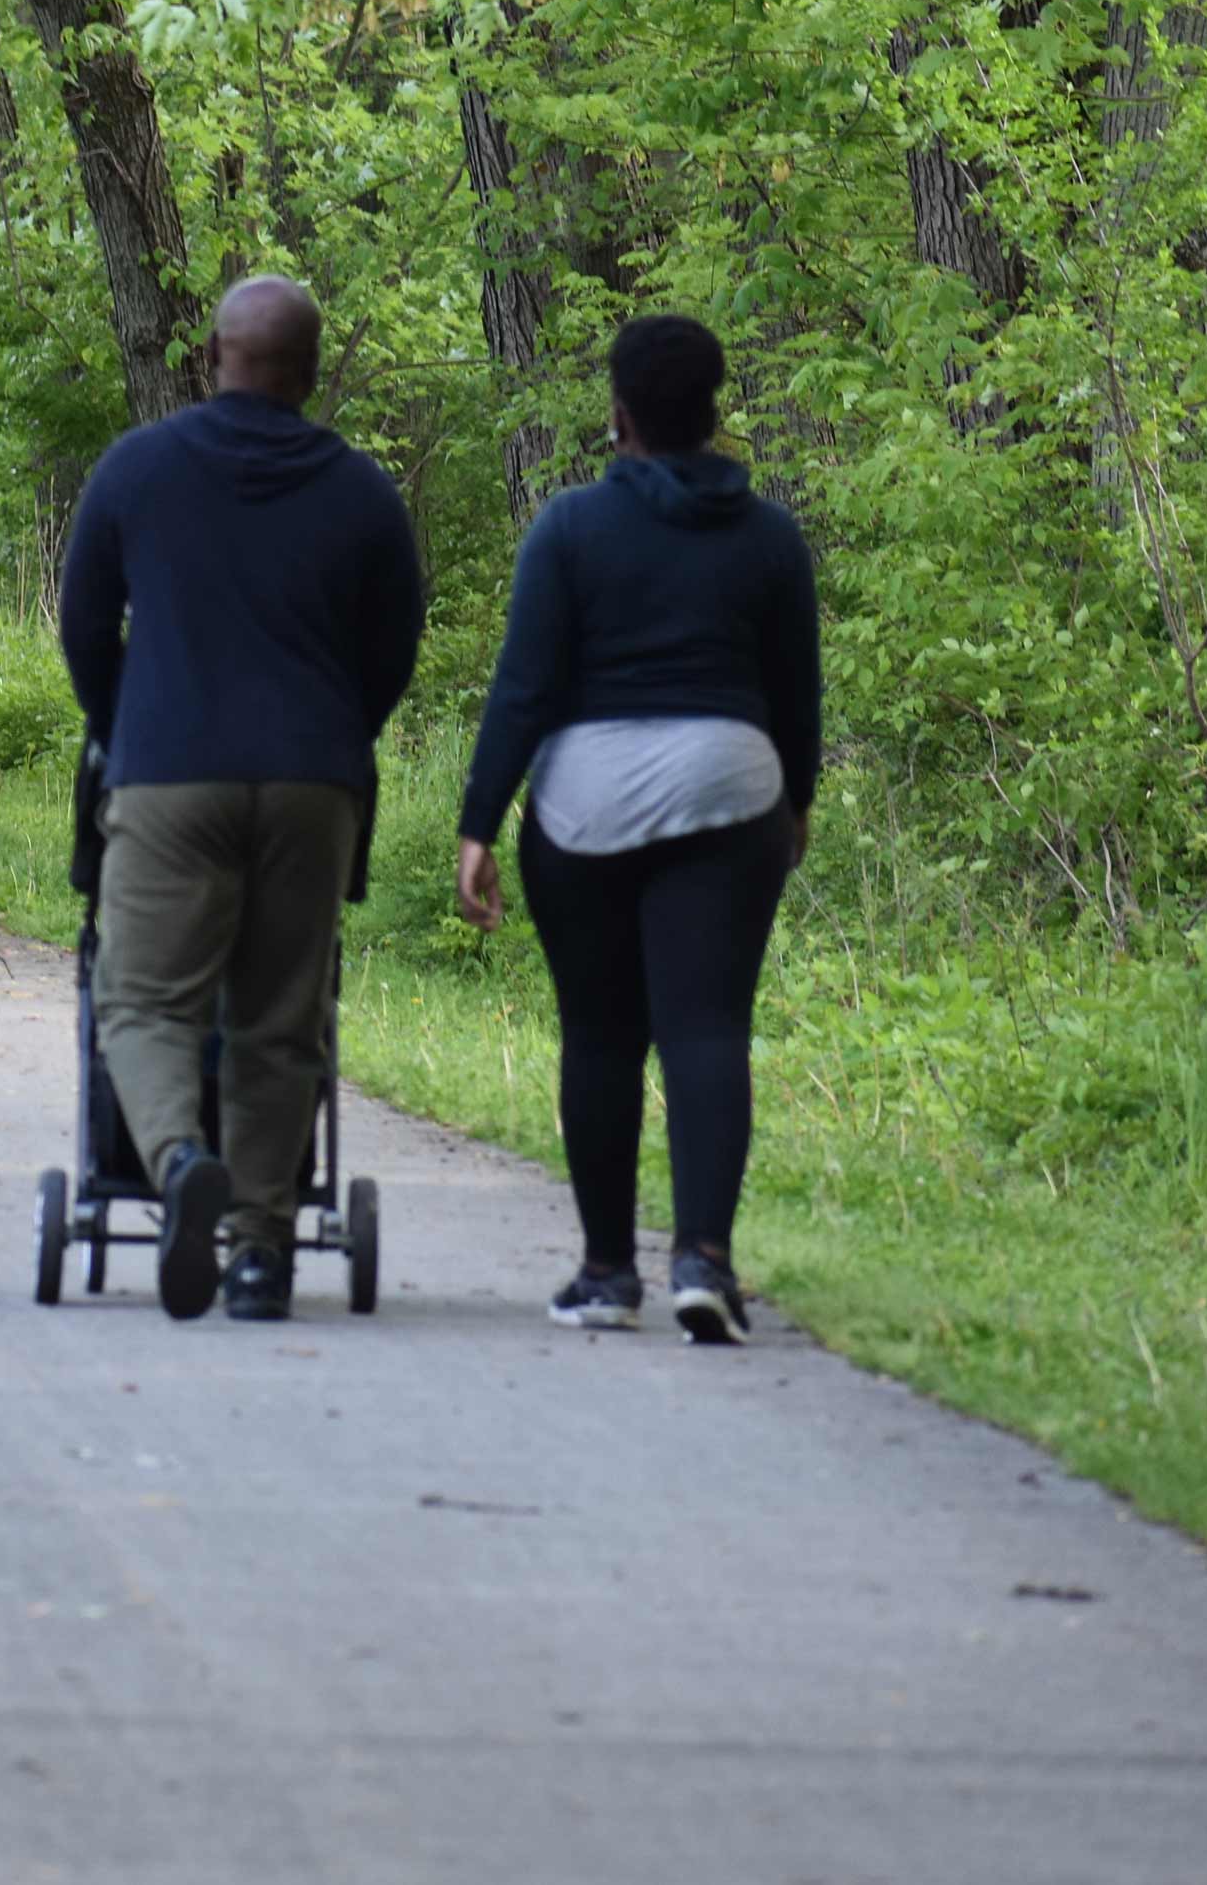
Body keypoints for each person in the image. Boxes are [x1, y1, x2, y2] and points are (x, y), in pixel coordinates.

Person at [58, 275, 428, 1322]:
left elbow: (85, 625)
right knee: (280, 1016)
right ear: (309, 374)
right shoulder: (360, 490)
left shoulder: (138, 469)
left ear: (214, 354)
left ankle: (177, 1162)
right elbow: (393, 646)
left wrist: (121, 725)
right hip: (313, 780)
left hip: (170, 770)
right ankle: (261, 1249)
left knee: (143, 997)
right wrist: (338, 736)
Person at [454, 313, 819, 1345]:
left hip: (587, 797)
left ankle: (607, 1274)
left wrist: (479, 823)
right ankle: (705, 1260)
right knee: (708, 1030)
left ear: (616, 412)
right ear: (714, 414)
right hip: (729, 785)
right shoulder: (770, 536)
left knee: (602, 1035)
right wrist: (794, 802)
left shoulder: (569, 530)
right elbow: (797, 695)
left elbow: (523, 688)